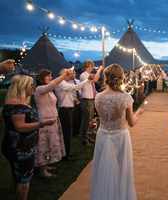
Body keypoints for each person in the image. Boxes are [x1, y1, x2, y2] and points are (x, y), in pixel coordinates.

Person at [91, 64, 143, 200]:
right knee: (121, 170)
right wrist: (139, 113)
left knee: (101, 170)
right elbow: (131, 122)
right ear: (121, 78)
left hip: (102, 134)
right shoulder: (125, 97)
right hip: (120, 136)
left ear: (106, 78)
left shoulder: (98, 97)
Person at [2, 75, 55, 200]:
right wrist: (42, 123)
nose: (34, 87)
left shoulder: (15, 103)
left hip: (17, 146)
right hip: (21, 148)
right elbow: (20, 127)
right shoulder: (17, 106)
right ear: (23, 86)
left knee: (19, 178)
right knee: (24, 181)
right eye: (31, 85)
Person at [34, 69, 72, 177]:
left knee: (50, 144)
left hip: (53, 119)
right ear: (41, 78)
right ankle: (42, 169)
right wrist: (64, 75)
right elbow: (54, 83)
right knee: (44, 145)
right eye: (48, 76)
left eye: (51, 76)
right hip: (45, 120)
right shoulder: (39, 89)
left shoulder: (49, 90)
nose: (50, 78)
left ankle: (46, 164)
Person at [55, 69, 93, 159]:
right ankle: (65, 155)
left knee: (68, 132)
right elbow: (76, 87)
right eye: (70, 74)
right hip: (64, 110)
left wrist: (74, 99)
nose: (71, 75)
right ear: (64, 74)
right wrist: (87, 80)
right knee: (66, 133)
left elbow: (72, 91)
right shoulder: (61, 83)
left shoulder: (64, 83)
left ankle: (67, 152)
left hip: (68, 109)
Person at [79, 60, 103, 146]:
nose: (92, 67)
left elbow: (93, 82)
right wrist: (99, 70)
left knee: (89, 120)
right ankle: (83, 139)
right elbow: (95, 79)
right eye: (91, 66)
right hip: (86, 100)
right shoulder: (83, 75)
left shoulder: (87, 75)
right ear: (87, 66)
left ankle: (87, 137)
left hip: (90, 99)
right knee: (86, 120)